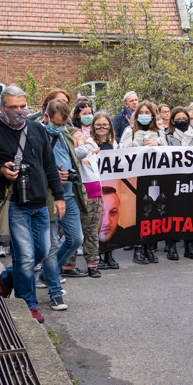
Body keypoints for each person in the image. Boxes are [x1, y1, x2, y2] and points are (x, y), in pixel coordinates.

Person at [0, 85, 65, 323]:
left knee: (40, 252)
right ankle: (27, 304)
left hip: (40, 202)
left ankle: (7, 278)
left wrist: (60, 196)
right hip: (13, 204)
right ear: (2, 107)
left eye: (23, 106)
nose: (20, 112)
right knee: (25, 256)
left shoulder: (36, 129)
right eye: (14, 107)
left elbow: (49, 165)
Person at [40, 100, 87, 289]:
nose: (60, 127)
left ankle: (48, 274)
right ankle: (54, 288)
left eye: (63, 124)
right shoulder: (38, 134)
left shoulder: (65, 134)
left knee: (76, 239)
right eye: (57, 124)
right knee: (50, 246)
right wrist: (51, 174)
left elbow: (73, 160)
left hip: (69, 195)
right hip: (49, 196)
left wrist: (74, 178)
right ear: (46, 117)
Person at [119, 100, 165, 264]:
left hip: (154, 179)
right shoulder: (129, 131)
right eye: (141, 113)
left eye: (147, 113)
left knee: (152, 212)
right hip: (136, 179)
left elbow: (168, 153)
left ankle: (148, 248)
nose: (144, 116)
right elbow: (121, 152)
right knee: (139, 214)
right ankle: (138, 249)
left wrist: (157, 144)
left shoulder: (159, 132)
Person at [63, 127, 103, 278]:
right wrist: (80, 143)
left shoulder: (88, 152)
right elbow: (80, 152)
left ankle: (93, 264)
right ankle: (68, 264)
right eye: (77, 137)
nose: (82, 139)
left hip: (95, 196)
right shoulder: (73, 153)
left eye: (82, 136)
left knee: (91, 232)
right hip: (81, 197)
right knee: (75, 232)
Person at [163, 106, 193, 261]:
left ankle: (189, 247)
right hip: (174, 180)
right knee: (174, 214)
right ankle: (171, 246)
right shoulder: (167, 137)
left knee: (191, 214)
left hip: (192, 181)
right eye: (178, 119)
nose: (181, 122)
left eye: (184, 119)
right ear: (172, 121)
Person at [87, 111, 120, 271]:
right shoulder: (89, 143)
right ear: (93, 126)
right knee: (97, 224)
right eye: (98, 125)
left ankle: (109, 255)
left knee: (110, 222)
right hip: (96, 188)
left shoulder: (114, 143)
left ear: (109, 126)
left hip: (111, 186)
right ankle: (97, 255)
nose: (101, 128)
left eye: (105, 125)